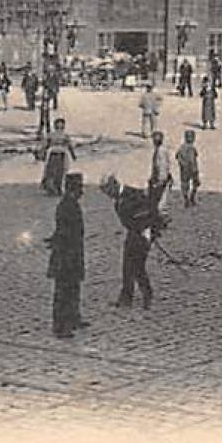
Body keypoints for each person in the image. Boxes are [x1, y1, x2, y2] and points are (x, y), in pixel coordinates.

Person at [100, 174, 159, 309]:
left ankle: (147, 294)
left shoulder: (133, 194)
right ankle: (126, 298)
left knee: (138, 267)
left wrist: (149, 230)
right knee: (127, 267)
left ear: (113, 185)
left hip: (142, 234)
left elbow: (150, 210)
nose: (108, 195)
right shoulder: (118, 201)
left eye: (108, 191)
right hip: (132, 234)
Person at [47, 173, 87, 338]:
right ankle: (60, 325)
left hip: (72, 253)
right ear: (74, 189)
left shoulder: (70, 204)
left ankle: (73, 318)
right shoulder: (67, 206)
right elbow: (64, 232)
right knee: (64, 290)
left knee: (74, 288)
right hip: (66, 255)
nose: (82, 192)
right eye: (80, 188)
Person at [39, 117, 76, 196]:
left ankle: (58, 188)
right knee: (50, 172)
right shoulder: (51, 135)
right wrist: (42, 153)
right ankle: (50, 188)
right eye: (58, 126)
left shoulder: (65, 136)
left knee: (60, 172)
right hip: (52, 154)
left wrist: (73, 155)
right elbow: (45, 145)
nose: (59, 128)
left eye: (61, 127)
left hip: (62, 155)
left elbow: (70, 146)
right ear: (55, 126)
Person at [148, 130, 174, 209]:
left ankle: (161, 213)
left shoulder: (160, 152)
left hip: (161, 178)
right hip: (162, 176)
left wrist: (159, 179)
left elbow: (160, 165)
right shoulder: (162, 150)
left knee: (160, 198)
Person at [175, 130, 201, 206]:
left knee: (185, 185)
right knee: (194, 184)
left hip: (184, 169)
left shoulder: (182, 148)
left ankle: (187, 199)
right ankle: (191, 198)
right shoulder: (191, 148)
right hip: (191, 169)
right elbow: (193, 159)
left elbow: (177, 157)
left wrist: (182, 164)